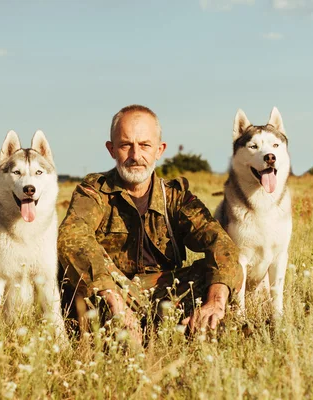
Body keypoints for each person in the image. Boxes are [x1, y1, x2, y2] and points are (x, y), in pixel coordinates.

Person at [58, 104, 242, 341]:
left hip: (161, 293)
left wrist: (214, 303)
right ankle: (127, 329)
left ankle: (200, 324)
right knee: (87, 262)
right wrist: (114, 300)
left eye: (145, 145)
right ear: (111, 149)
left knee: (222, 272)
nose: (136, 156)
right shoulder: (93, 192)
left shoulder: (175, 196)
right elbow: (72, 238)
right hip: (109, 291)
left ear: (159, 150)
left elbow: (221, 244)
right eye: (126, 145)